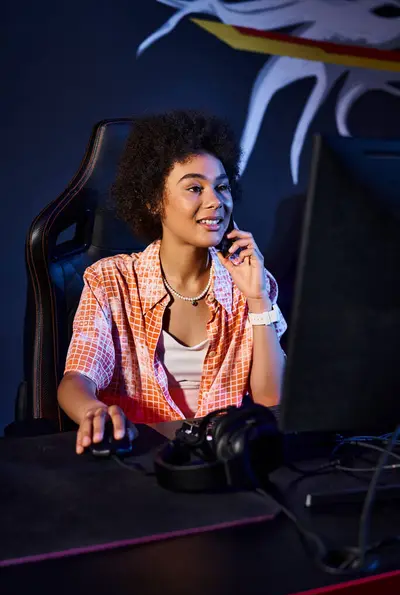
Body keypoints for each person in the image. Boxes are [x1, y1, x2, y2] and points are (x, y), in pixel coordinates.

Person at [57, 110, 287, 454]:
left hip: (223, 463)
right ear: (153, 201)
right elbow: (77, 378)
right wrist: (93, 410)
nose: (215, 201)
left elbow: (272, 398)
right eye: (195, 188)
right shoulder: (110, 280)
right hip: (141, 463)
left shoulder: (252, 283)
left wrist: (257, 300)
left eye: (221, 187)